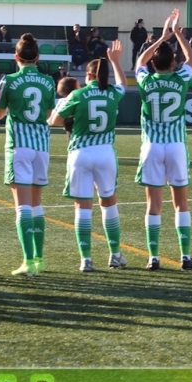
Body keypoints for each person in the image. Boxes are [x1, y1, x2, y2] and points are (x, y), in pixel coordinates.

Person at [48, 40, 128, 273]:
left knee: (83, 207)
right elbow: (122, 83)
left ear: (89, 75)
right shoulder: (113, 93)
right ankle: (115, 255)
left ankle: (86, 259)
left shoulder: (77, 94)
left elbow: (54, 121)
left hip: (80, 153)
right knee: (109, 203)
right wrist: (115, 62)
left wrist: (70, 117)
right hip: (105, 153)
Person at [134, 10, 192, 271]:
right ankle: (185, 256)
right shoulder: (180, 78)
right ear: (173, 63)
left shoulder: (146, 81)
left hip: (151, 146)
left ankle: (154, 257)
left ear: (154, 64)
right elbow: (191, 58)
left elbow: (139, 60)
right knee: (181, 203)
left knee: (153, 204)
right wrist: (178, 34)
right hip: (175, 145)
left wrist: (161, 38)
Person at [0, 34, 57, 277]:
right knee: (36, 204)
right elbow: (50, 111)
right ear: (38, 57)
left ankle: (27, 260)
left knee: (22, 207)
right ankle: (40, 259)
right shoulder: (49, 81)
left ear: (16, 57)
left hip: (19, 144)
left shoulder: (8, 80)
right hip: (42, 144)